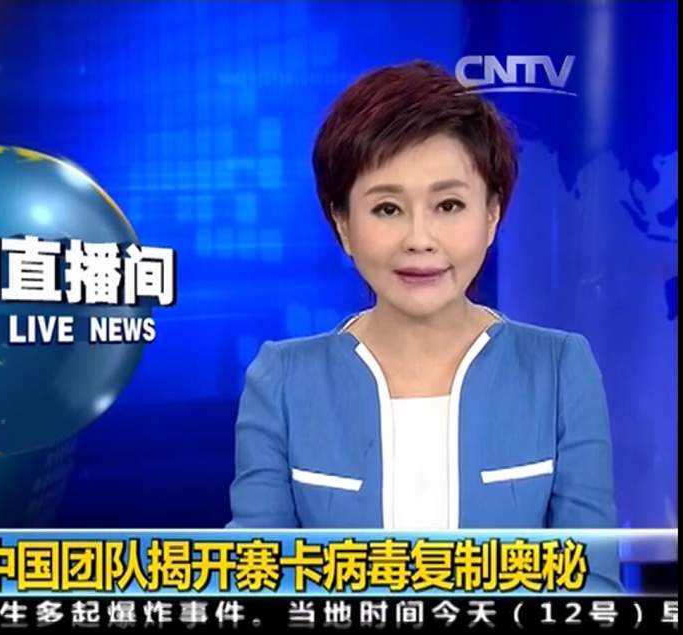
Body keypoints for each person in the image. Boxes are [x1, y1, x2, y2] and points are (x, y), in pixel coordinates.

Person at [226, 60, 619, 589]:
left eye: (449, 204)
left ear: (492, 215)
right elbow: (255, 580)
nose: (419, 239)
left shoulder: (559, 370)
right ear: (343, 223)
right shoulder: (282, 381)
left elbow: (592, 584)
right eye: (387, 209)